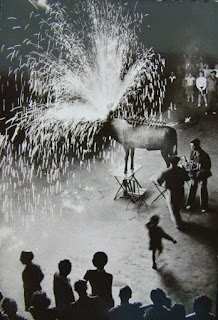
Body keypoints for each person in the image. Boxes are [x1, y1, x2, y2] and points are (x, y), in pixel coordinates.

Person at [157, 156, 190, 229]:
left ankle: (178, 224)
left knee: (173, 207)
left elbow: (159, 181)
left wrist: (165, 184)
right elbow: (187, 178)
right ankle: (177, 220)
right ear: (177, 162)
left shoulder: (166, 172)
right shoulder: (181, 170)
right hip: (180, 189)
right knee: (178, 205)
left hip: (171, 191)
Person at [186, 139, 212, 213]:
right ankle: (189, 203)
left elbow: (208, 167)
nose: (191, 148)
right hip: (194, 174)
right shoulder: (192, 153)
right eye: (191, 146)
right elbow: (190, 162)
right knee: (192, 188)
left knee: (203, 189)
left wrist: (200, 172)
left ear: (197, 146)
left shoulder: (204, 155)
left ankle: (204, 206)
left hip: (202, 175)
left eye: (193, 146)